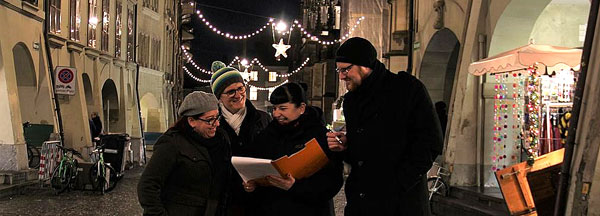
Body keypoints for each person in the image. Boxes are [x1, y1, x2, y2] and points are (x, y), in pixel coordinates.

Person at [326, 37, 443, 215]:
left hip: (401, 204)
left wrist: (398, 183)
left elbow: (430, 142)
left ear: (365, 65)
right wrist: (346, 145)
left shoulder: (407, 89)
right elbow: (361, 153)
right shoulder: (351, 101)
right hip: (361, 203)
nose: (341, 76)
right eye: (339, 70)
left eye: (346, 69)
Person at [243, 83, 343, 216]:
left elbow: (332, 182)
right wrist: (251, 185)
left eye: (283, 108)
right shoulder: (267, 135)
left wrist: (295, 187)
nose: (277, 114)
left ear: (301, 108)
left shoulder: (320, 136)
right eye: (275, 108)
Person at [138, 91, 231, 216]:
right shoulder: (172, 143)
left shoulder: (221, 140)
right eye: (210, 120)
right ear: (191, 121)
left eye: (217, 117)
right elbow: (147, 186)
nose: (217, 124)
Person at [209, 61, 271, 215]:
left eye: (241, 89)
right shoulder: (211, 123)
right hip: (224, 201)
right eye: (231, 92)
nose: (238, 95)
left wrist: (258, 180)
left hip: (258, 201)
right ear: (219, 97)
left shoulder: (263, 119)